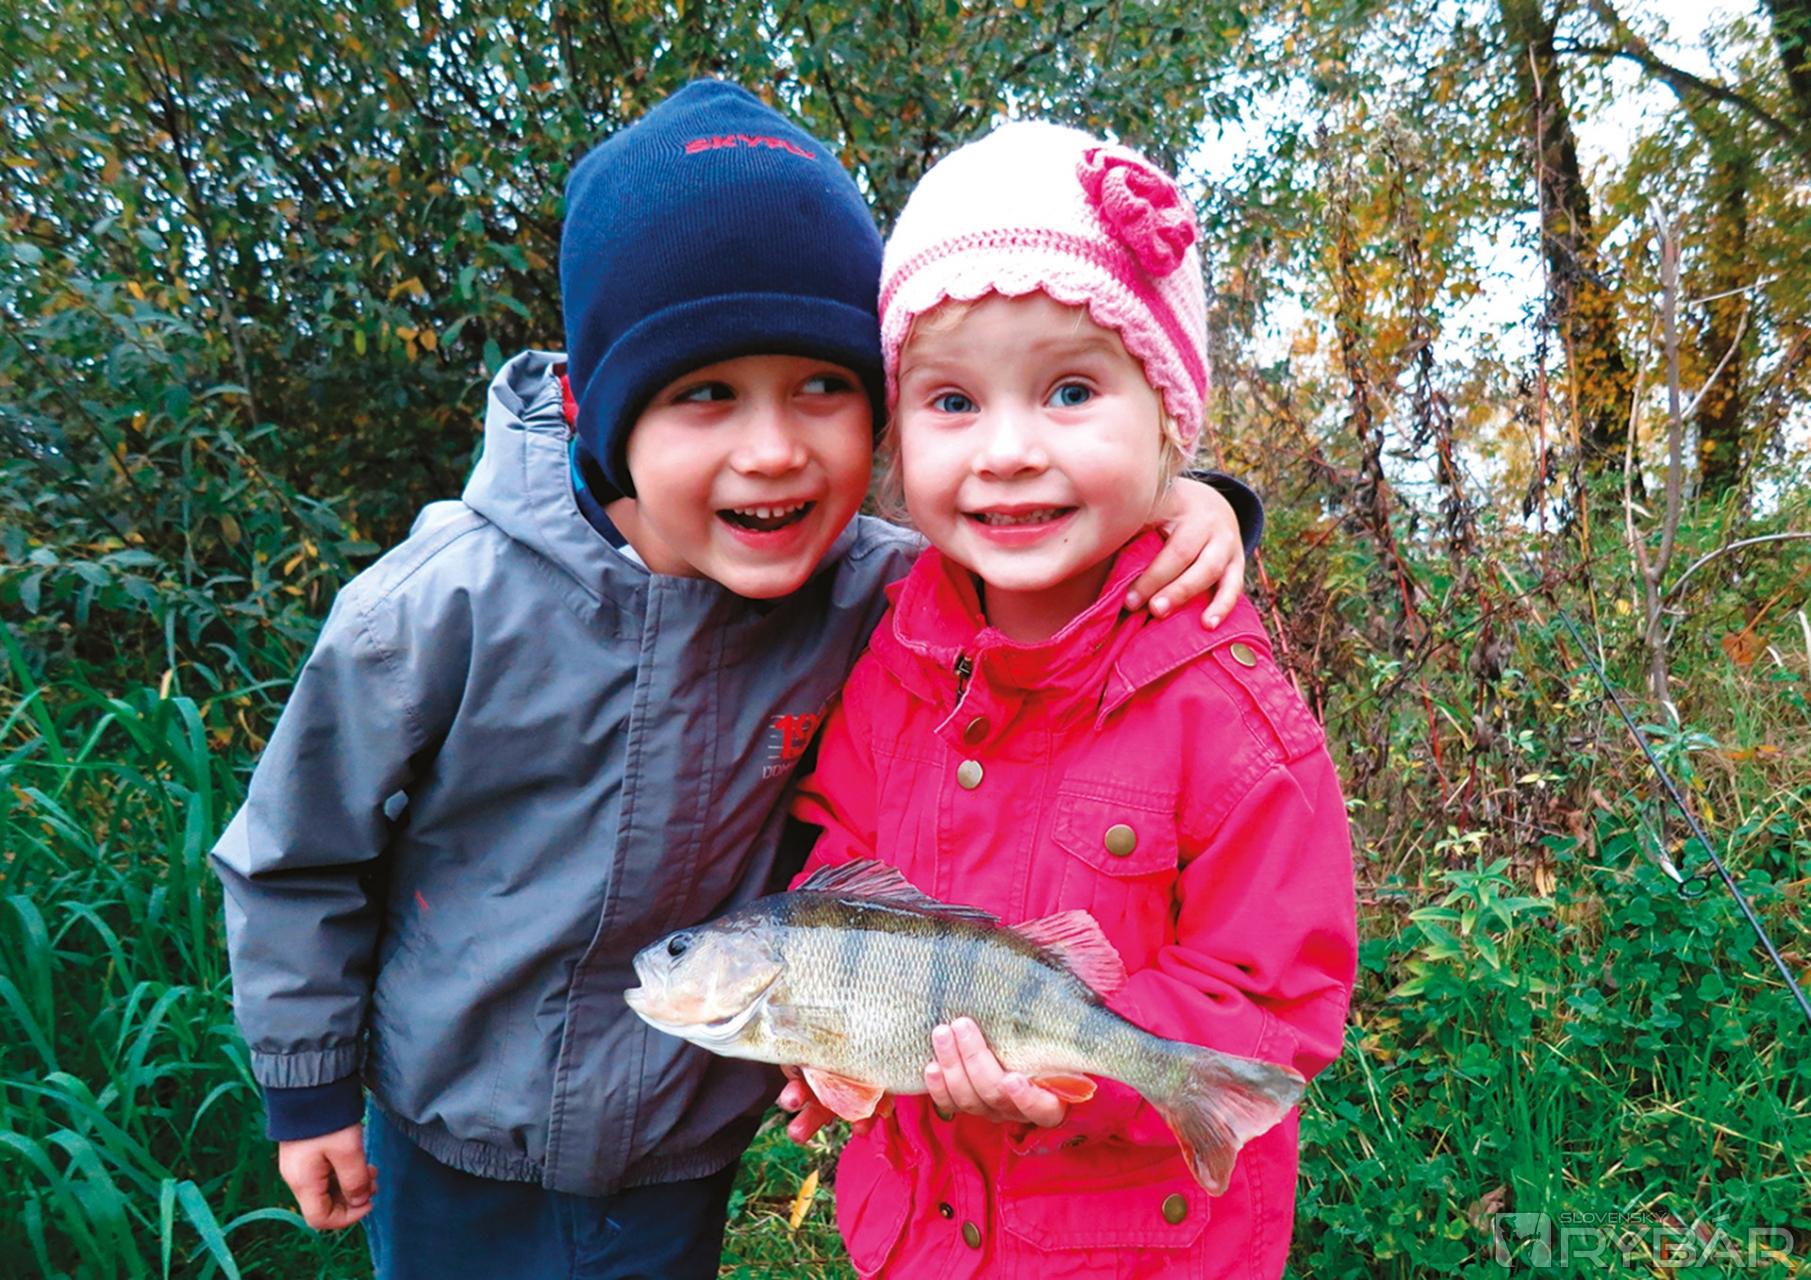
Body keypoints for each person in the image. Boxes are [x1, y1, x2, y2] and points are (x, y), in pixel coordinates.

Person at [209, 83, 1260, 1280]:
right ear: (597, 410)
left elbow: (1040, 547)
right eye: (704, 393)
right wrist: (307, 1087)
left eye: (821, 387)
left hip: (677, 1150)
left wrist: (1189, 504)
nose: (772, 448)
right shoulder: (433, 607)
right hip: (452, 1141)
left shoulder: (878, 589)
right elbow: (298, 857)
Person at [779, 120, 1358, 1278]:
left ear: (1170, 422)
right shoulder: (889, 660)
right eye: (951, 401)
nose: (1005, 450)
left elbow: (1269, 993)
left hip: (1134, 1250)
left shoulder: (1224, 713)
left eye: (1070, 389)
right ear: (895, 435)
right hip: (923, 1238)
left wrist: (1077, 1064)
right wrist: (829, 1012)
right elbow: (838, 855)